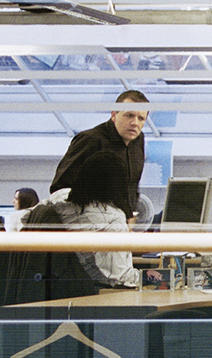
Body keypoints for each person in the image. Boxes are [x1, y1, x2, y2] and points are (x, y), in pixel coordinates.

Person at [50, 89, 149, 219]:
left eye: (141, 118)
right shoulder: (91, 140)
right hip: (90, 223)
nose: (135, 123)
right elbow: (60, 188)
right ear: (114, 115)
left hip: (121, 223)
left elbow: (132, 187)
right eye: (129, 115)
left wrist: (130, 216)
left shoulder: (138, 140)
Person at [51, 153, 141, 288]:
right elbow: (121, 278)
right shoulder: (111, 218)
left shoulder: (58, 198)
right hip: (94, 290)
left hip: (57, 286)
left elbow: (26, 217)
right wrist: (159, 277)